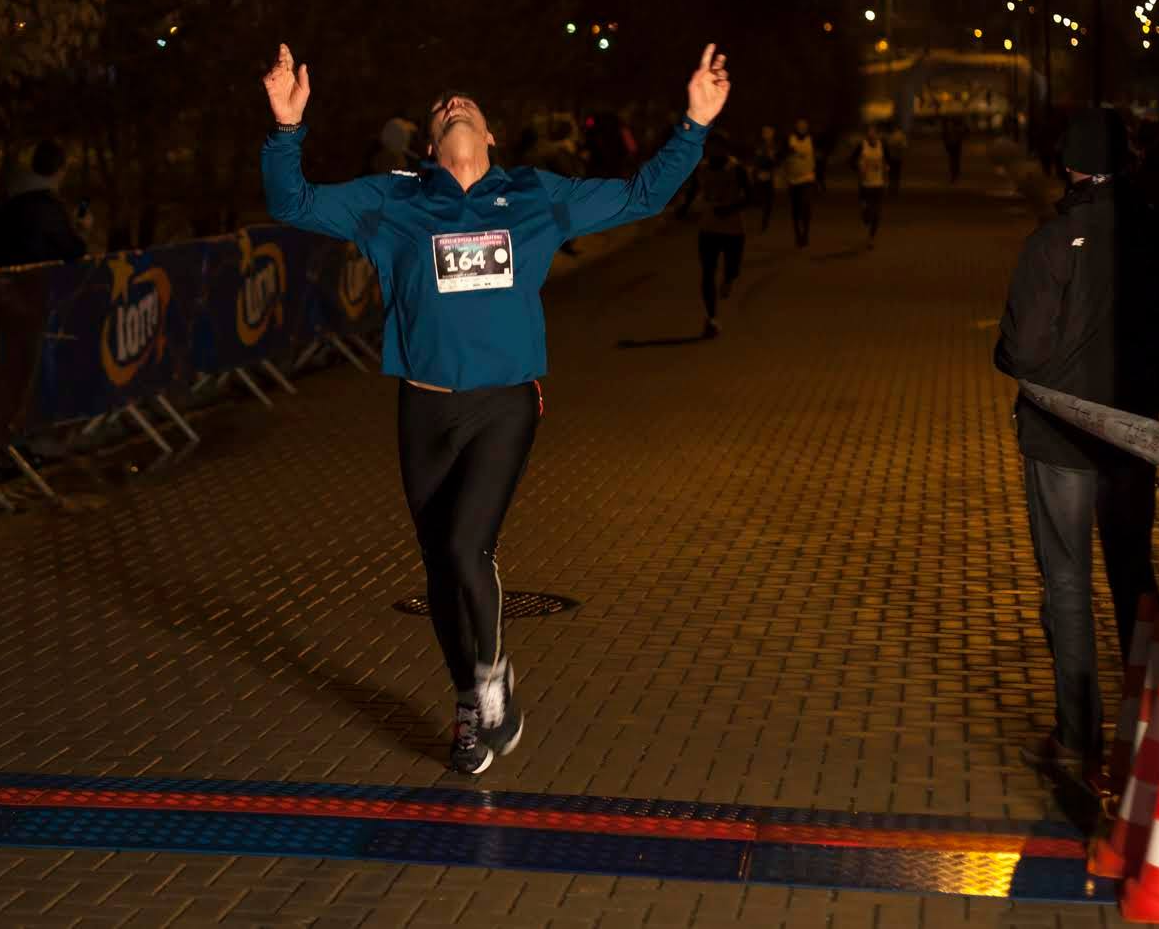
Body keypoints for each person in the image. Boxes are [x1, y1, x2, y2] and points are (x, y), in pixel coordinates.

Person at [261, 41, 730, 775]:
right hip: (424, 410)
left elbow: (642, 196)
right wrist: (287, 128)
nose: (453, 105)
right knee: (439, 570)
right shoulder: (393, 200)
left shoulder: (535, 195)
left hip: (503, 406)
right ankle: (467, 698)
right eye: (441, 107)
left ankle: (492, 675)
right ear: (429, 143)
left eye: (467, 105)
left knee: (465, 547)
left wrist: (694, 124)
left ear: (490, 135)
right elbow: (291, 203)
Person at [992, 107, 1159, 784]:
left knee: (1068, 581)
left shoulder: (1052, 241)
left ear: (1069, 165)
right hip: (1131, 433)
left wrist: (1016, 358)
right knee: (1134, 571)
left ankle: (1078, 734)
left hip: (1059, 439)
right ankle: (1157, 723)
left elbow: (1023, 350)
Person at [0, 140, 93, 269]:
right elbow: (74, 256)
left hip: (3, 278)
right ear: (61, 170)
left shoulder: (8, 198)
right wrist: (83, 232)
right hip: (34, 279)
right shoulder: (46, 206)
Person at [680, 134, 750, 337]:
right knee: (707, 273)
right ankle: (711, 317)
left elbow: (752, 196)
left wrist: (730, 208)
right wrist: (684, 208)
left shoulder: (737, 169)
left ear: (726, 149)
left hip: (734, 229)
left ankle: (729, 279)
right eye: (710, 147)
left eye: (718, 147)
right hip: (708, 228)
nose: (713, 151)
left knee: (732, 270)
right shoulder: (701, 168)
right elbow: (693, 190)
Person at [783, 118, 817, 247]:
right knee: (796, 209)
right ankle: (798, 233)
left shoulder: (811, 139)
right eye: (799, 126)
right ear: (796, 127)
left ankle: (805, 233)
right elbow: (782, 155)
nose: (802, 128)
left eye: (804, 126)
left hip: (808, 178)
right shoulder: (789, 140)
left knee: (806, 205)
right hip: (793, 180)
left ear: (807, 128)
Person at [853, 126, 888, 246]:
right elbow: (851, 160)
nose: (872, 136)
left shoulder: (882, 146)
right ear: (867, 135)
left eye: (874, 133)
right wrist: (859, 167)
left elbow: (887, 160)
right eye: (870, 133)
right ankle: (865, 213)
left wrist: (886, 167)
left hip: (878, 184)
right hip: (865, 184)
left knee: (877, 213)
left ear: (878, 135)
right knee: (867, 215)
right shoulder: (862, 146)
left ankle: (871, 237)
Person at [750, 126, 780, 233]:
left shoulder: (775, 146)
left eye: (769, 132)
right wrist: (756, 172)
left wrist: (773, 159)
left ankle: (764, 222)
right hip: (759, 176)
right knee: (759, 200)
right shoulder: (759, 145)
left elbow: (777, 162)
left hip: (770, 176)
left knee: (769, 201)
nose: (767, 134)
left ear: (773, 134)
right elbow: (755, 160)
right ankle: (759, 220)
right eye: (765, 132)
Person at [885, 121, 908, 195]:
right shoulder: (901, 135)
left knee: (891, 174)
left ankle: (892, 188)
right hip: (897, 157)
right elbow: (904, 146)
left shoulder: (891, 135)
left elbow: (888, 145)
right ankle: (895, 188)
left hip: (892, 157)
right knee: (896, 174)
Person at [943, 115, 967, 183]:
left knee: (954, 161)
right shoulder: (952, 129)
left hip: (954, 146)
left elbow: (945, 138)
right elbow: (945, 138)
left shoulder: (951, 129)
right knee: (954, 161)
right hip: (953, 146)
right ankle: (955, 174)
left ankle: (955, 174)